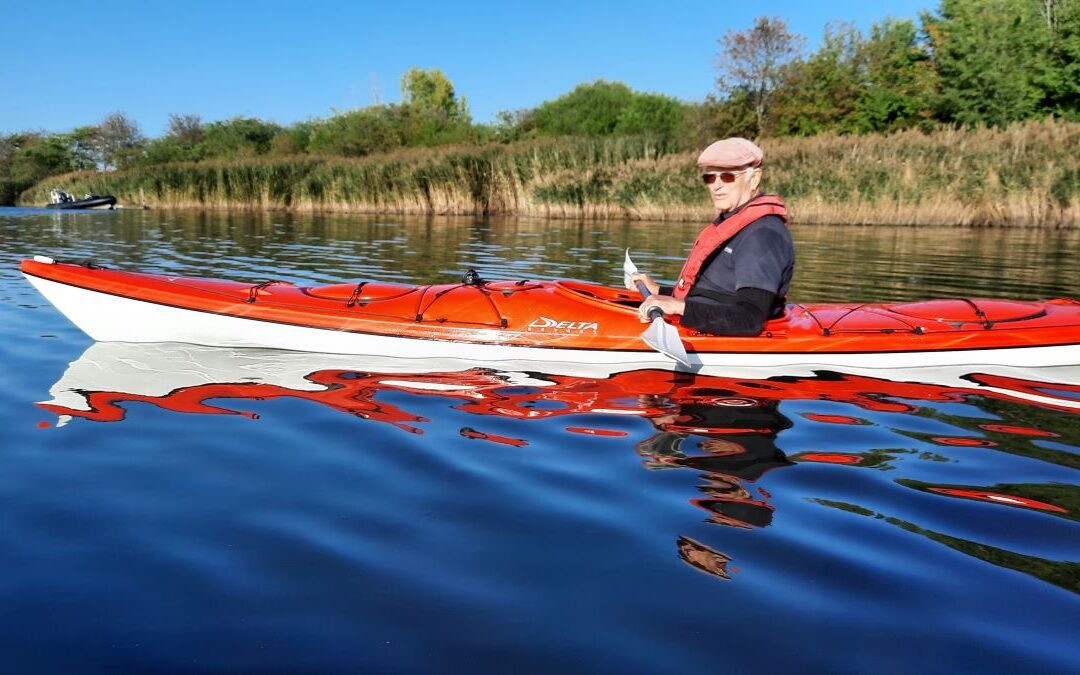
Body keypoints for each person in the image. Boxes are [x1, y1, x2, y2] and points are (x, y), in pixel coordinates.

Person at [627, 137, 794, 336]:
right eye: (710, 178)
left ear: (754, 178)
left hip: (736, 337)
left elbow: (749, 319)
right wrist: (659, 291)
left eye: (727, 176)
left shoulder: (762, 235)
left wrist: (679, 308)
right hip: (704, 320)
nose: (716, 185)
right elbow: (716, 294)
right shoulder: (732, 221)